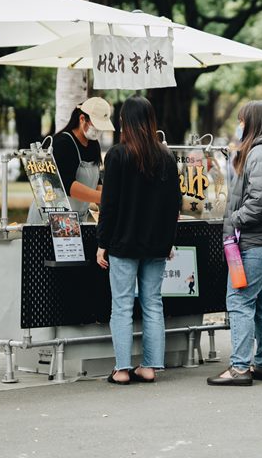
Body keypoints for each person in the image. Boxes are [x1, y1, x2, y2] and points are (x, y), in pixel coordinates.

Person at [96, 97, 182, 384]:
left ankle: (121, 369)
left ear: (125, 122)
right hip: (156, 243)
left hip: (123, 242)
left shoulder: (118, 155)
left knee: (121, 305)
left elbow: (109, 204)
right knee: (153, 303)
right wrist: (169, 242)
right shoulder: (167, 157)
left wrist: (102, 242)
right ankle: (150, 366)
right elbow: (174, 206)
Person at [209, 101, 262, 387]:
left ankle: (240, 366)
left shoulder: (258, 154)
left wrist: (236, 219)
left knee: (240, 299)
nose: (239, 125)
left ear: (252, 123)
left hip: (258, 241)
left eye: (242, 120)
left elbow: (261, 199)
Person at [36, 97, 114, 225]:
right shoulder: (63, 143)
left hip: (74, 221)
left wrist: (107, 204)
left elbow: (96, 181)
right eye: (96, 126)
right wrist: (105, 197)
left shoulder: (93, 145)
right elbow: (67, 185)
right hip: (51, 219)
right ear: (82, 119)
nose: (99, 131)